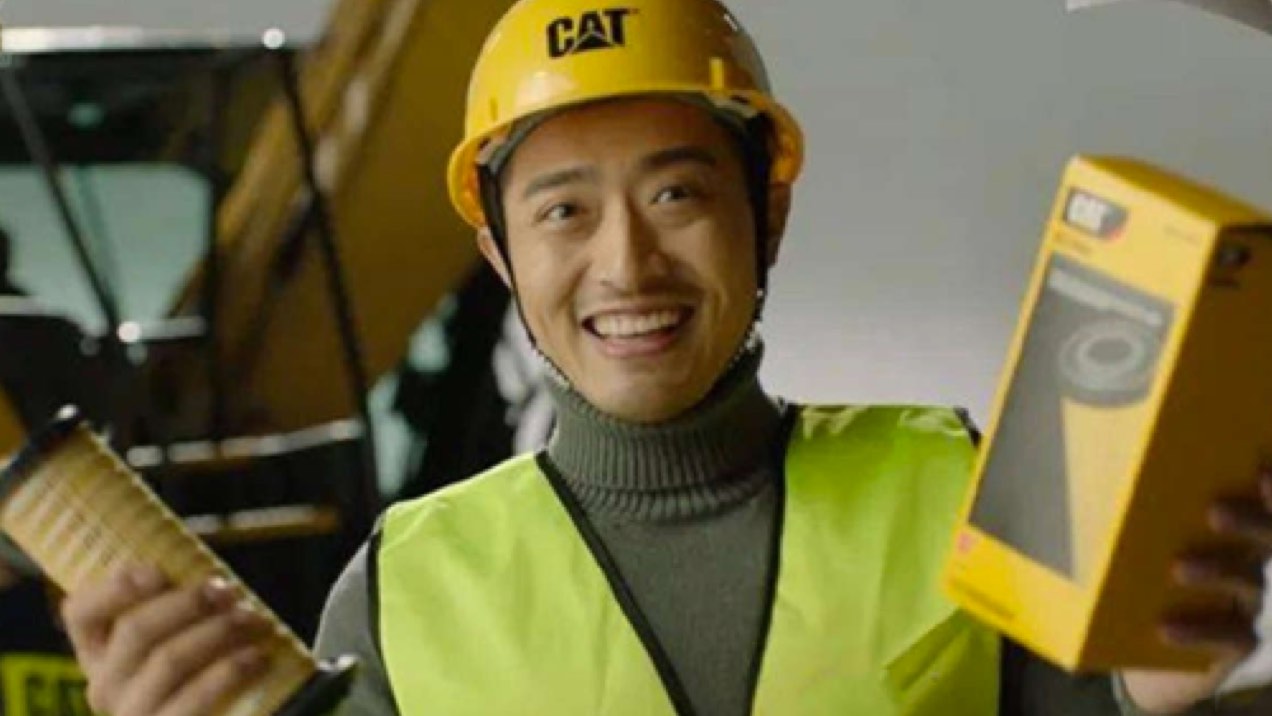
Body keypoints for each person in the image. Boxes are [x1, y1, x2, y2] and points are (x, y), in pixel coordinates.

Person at [57, 0, 1272, 713]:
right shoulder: (402, 583)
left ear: (767, 217)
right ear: (500, 255)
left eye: (678, 193)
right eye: (564, 212)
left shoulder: (962, 483)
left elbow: (1101, 701)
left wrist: (1160, 685)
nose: (627, 262)